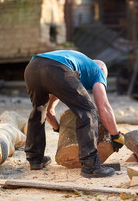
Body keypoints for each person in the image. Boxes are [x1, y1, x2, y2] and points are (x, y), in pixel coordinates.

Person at [24, 50, 125, 178]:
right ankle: (91, 165)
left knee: (39, 110)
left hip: (33, 67)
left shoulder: (75, 65)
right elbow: (103, 107)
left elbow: (49, 111)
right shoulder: (98, 70)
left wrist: (58, 128)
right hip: (56, 68)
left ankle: (35, 159)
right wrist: (116, 135)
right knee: (88, 111)